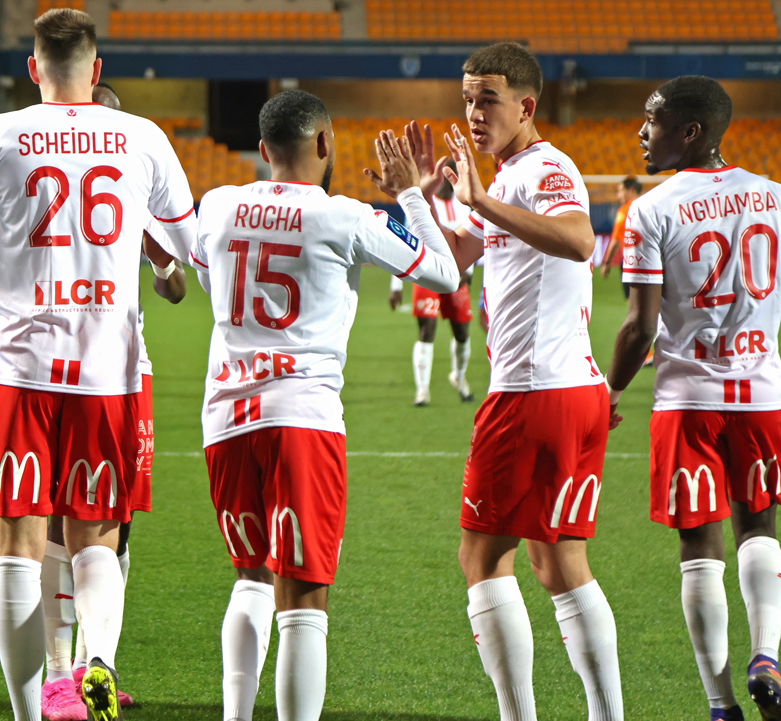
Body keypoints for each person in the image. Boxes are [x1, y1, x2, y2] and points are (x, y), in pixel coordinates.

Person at [0, 10, 197, 721]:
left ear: (32, 67)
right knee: (96, 535)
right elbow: (189, 248)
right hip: (109, 368)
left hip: (20, 367)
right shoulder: (142, 137)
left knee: (18, 545)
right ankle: (97, 660)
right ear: (98, 69)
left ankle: (33, 707)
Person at [375, 43, 623, 720]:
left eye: (487, 98)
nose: (474, 112)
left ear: (526, 106)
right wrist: (414, 197)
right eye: (466, 97)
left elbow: (578, 239)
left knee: (482, 559)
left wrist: (480, 199)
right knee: (557, 563)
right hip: (569, 389)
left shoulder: (544, 167)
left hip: (531, 393)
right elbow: (448, 270)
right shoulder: (510, 176)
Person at [196, 89, 462, 721]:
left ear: (262, 151)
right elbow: (445, 274)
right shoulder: (345, 216)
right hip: (303, 415)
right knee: (303, 596)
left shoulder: (218, 205)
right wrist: (411, 195)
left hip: (225, 416)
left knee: (251, 577)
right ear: (323, 143)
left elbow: (206, 279)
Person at [606, 76, 781, 721]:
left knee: (698, 547)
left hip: (685, 399)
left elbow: (639, 327)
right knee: (757, 525)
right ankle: (766, 653)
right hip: (759, 395)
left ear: (690, 131)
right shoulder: (777, 197)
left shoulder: (651, 209)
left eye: (653, 121)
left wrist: (609, 390)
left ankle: (720, 703)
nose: (641, 133)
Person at [388, 157, 476, 404]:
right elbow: (402, 241)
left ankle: (458, 376)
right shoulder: (423, 206)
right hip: (426, 275)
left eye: (456, 174)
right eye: (448, 174)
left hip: (457, 278)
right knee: (426, 330)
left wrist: (468, 273)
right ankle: (422, 390)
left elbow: (476, 240)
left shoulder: (464, 207)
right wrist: (396, 286)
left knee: (461, 332)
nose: (451, 179)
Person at [597, 176, 642, 297]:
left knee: (633, 304)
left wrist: (606, 262)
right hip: (651, 261)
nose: (618, 196)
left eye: (621, 191)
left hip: (631, 261)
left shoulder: (624, 211)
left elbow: (616, 240)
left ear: (631, 190)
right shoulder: (650, 206)